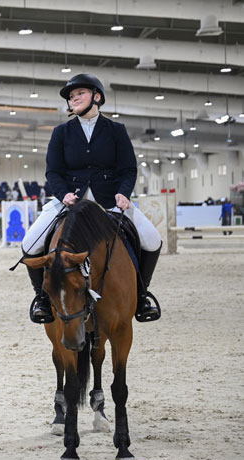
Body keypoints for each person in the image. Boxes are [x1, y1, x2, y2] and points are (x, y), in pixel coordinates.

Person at [21, 73, 162, 323]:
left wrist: (123, 193)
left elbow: (128, 168)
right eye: (72, 96)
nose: (74, 99)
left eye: (79, 94)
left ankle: (141, 295)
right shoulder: (61, 133)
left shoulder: (116, 131)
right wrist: (63, 194)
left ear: (96, 97)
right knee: (30, 244)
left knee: (152, 240)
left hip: (110, 200)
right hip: (70, 200)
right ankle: (41, 298)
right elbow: (53, 171)